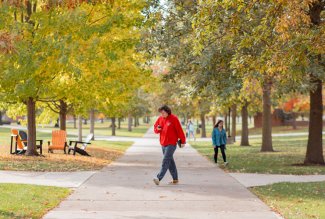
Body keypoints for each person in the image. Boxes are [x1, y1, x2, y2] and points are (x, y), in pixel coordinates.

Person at [153, 105, 186, 185]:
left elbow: (179, 130)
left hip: (171, 143)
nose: (162, 114)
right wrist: (158, 129)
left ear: (167, 111)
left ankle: (158, 178)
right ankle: (175, 179)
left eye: (163, 112)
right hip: (163, 143)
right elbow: (155, 129)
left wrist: (183, 141)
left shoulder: (174, 119)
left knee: (165, 160)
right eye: (161, 113)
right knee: (170, 161)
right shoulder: (160, 119)